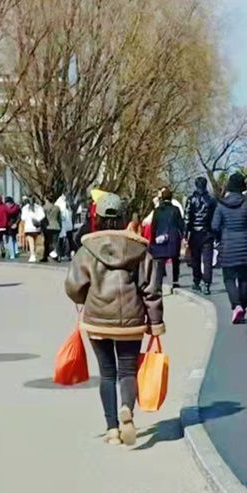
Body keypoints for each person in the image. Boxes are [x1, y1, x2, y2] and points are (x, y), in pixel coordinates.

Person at [64, 191, 164, 446]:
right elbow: (150, 289)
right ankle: (127, 409)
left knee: (107, 374)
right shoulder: (139, 249)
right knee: (128, 371)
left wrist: (85, 297)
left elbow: (74, 286)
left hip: (98, 319)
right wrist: (155, 322)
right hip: (131, 320)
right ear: (122, 217)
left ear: (97, 216)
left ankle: (112, 430)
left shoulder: (87, 250)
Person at [212, 172, 247, 324]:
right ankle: (243, 307)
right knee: (243, 279)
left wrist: (220, 236)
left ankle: (236, 306)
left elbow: (214, 226)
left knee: (228, 278)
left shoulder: (221, 204)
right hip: (245, 245)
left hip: (228, 245)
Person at [149, 187, 185, 293]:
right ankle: (175, 282)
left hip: (160, 238)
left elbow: (153, 226)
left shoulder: (157, 211)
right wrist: (183, 236)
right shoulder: (175, 210)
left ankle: (159, 285)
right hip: (173, 238)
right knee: (175, 260)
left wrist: (153, 240)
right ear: (171, 197)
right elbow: (181, 224)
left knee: (160, 263)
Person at [186, 176, 217, 295]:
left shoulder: (191, 199)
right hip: (207, 232)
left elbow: (187, 217)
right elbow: (215, 218)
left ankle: (196, 281)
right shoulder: (211, 200)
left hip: (194, 232)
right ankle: (207, 283)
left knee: (196, 259)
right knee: (207, 260)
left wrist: (185, 233)